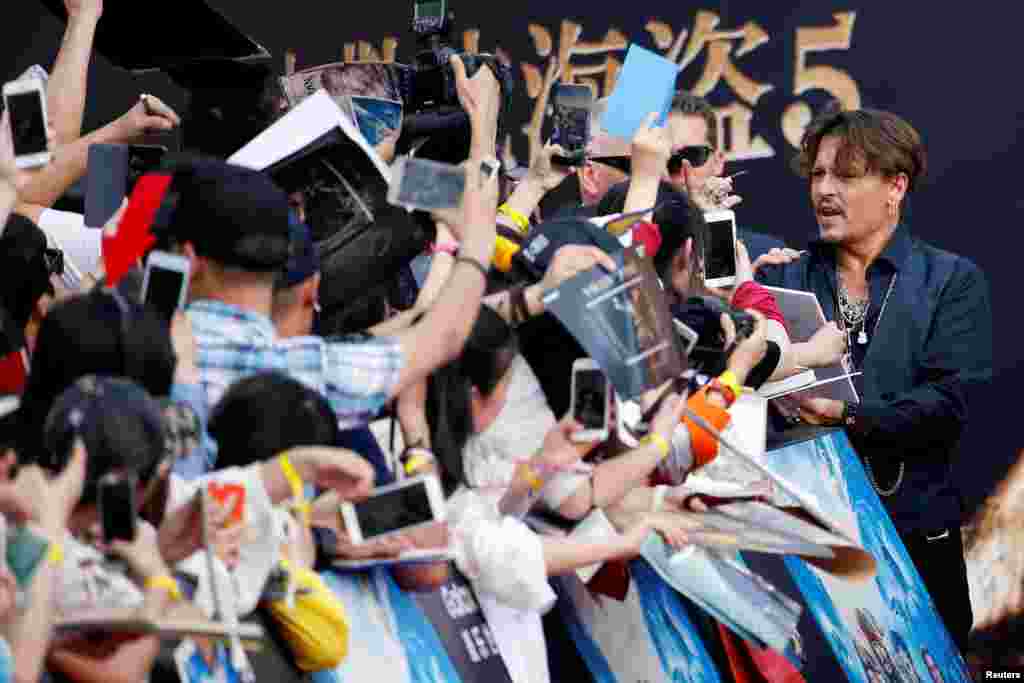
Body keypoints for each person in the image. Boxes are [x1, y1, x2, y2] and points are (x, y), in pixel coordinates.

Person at [756, 104, 993, 653]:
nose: (825, 190)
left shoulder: (949, 281)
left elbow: (948, 405)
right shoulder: (788, 274)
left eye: (846, 174)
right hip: (808, 548)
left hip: (915, 543)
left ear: (895, 186)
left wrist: (846, 415)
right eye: (817, 174)